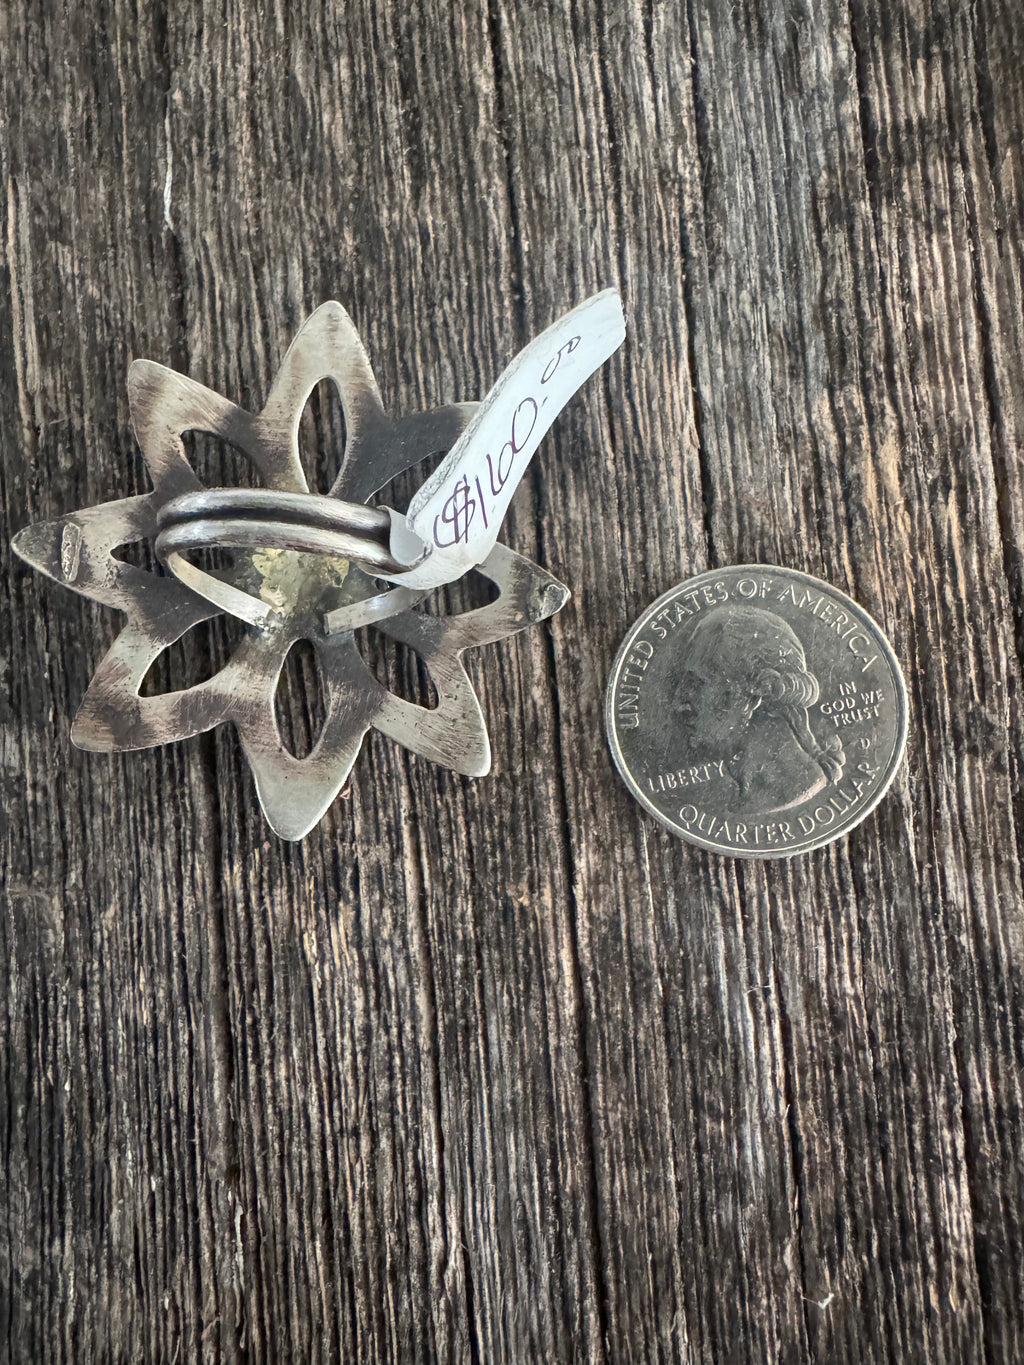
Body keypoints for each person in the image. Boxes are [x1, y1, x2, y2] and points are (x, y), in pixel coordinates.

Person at [671, 605, 845, 815]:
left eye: (697, 684)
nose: (678, 704)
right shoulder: (746, 793)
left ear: (755, 697)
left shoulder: (787, 789)